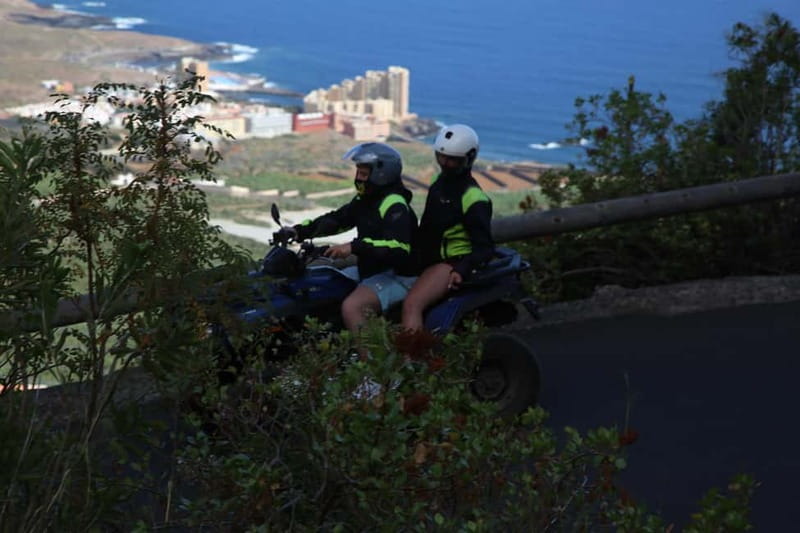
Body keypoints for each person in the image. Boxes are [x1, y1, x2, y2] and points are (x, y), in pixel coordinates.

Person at [275, 142, 418, 345]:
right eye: (358, 172)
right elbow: (338, 219)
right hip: (371, 269)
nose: (358, 177)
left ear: (382, 174)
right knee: (318, 278)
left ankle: (375, 370)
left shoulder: (394, 204)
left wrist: (353, 247)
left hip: (398, 275)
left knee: (352, 307)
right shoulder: (366, 199)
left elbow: (399, 248)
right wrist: (297, 231)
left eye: (363, 173)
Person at [401, 124, 494, 332]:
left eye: (453, 159)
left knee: (412, 305)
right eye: (441, 157)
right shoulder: (438, 182)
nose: (445, 163)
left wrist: (461, 268)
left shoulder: (474, 198)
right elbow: (428, 225)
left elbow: (484, 246)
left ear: (469, 159)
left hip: (451, 262)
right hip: (427, 257)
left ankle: (412, 362)